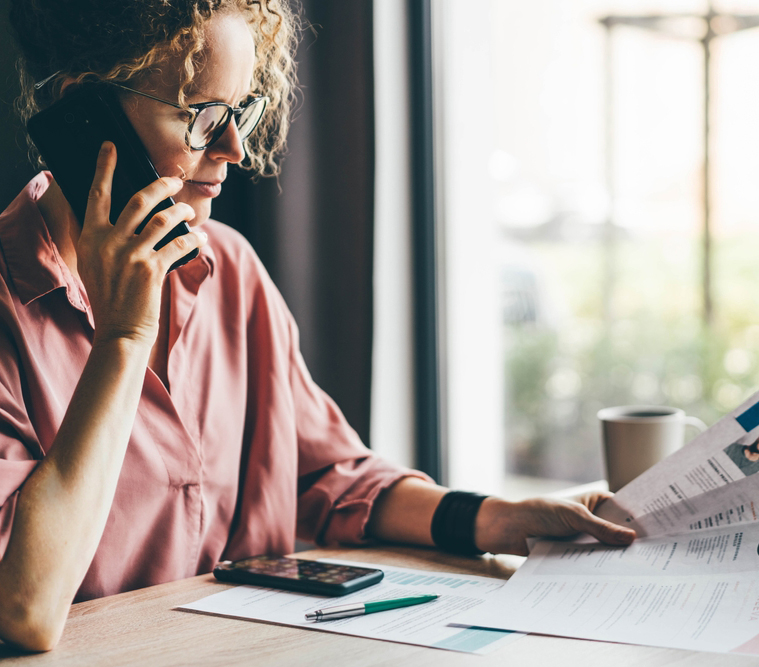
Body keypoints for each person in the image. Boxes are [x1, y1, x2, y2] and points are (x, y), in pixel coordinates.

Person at [0, 0, 634, 652]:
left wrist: (501, 520)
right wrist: (124, 339)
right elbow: (23, 606)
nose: (234, 149)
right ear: (85, 113)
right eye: (202, 117)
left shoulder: (230, 272)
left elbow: (329, 477)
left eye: (240, 111)